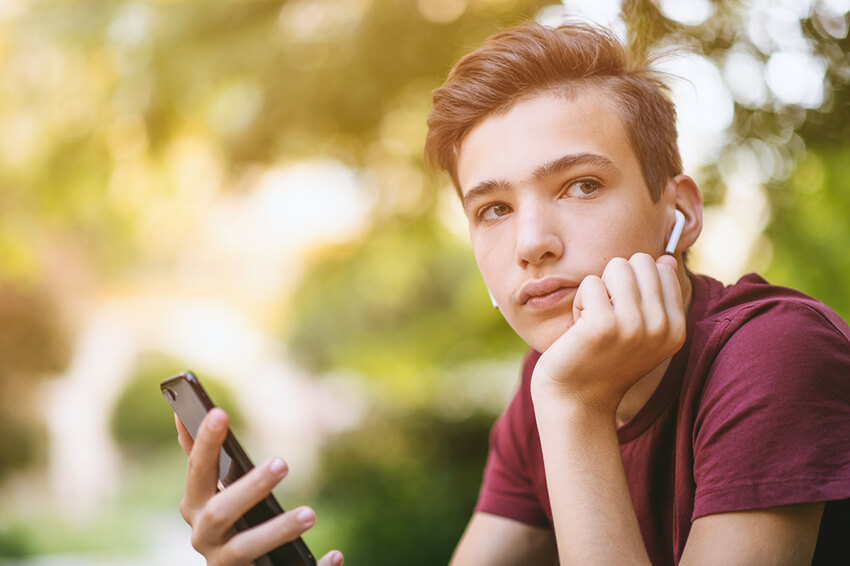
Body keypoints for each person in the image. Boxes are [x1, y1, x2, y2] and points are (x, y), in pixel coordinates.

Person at [173, 21, 850, 566]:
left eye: (580, 185)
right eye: (493, 209)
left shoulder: (772, 352)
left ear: (681, 211)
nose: (532, 242)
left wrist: (576, 408)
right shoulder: (551, 384)